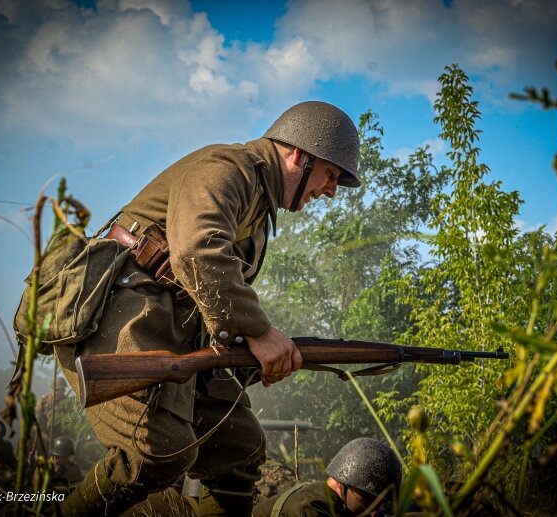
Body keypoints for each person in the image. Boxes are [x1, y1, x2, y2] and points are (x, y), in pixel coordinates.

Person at [53, 101, 361, 516]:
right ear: (299, 156)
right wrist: (260, 332)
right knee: (155, 453)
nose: (330, 190)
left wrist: (252, 354)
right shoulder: (227, 167)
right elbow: (198, 252)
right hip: (124, 315)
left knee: (240, 448)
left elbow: (214, 299)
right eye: (330, 175)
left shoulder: (259, 209)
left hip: (175, 334)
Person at [253, 437, 403, 517]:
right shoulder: (311, 508)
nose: (374, 512)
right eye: (368, 501)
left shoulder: (327, 500)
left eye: (382, 505)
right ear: (343, 484)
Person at [34, 376, 68, 449]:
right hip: (46, 426)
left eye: (63, 390)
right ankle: (43, 433)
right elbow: (38, 413)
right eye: (61, 390)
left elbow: (69, 416)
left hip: (59, 427)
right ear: (55, 390)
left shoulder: (66, 401)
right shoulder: (44, 399)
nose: (63, 392)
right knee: (41, 415)